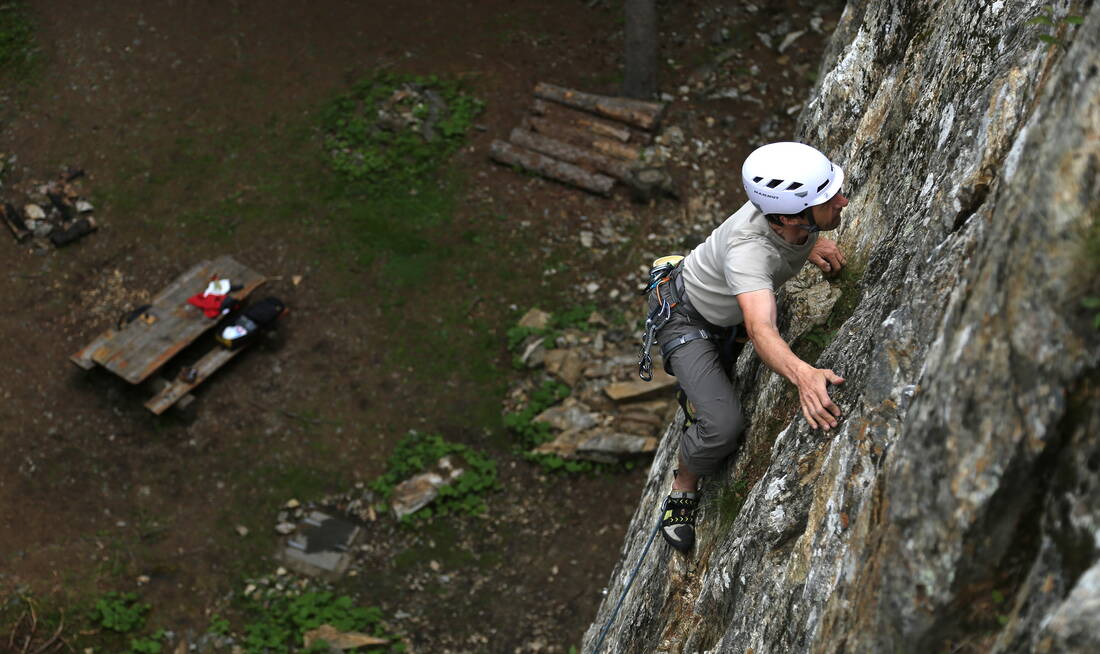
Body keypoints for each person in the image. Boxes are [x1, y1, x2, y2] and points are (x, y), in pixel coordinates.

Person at [648, 141, 849, 552]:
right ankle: (683, 486)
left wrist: (810, 243)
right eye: (830, 199)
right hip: (686, 319)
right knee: (721, 427)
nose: (844, 200)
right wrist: (804, 376)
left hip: (722, 309)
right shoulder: (748, 252)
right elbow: (760, 329)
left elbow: (783, 241)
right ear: (792, 215)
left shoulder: (791, 223)